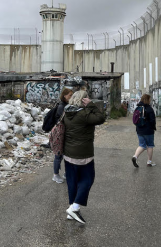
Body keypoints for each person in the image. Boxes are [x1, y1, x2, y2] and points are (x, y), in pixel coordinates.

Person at [63, 90, 105, 224]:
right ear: (83, 100)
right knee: (87, 179)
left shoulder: (66, 112)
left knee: (72, 182)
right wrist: (92, 105)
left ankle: (71, 210)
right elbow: (101, 118)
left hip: (68, 154)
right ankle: (74, 208)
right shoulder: (84, 114)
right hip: (83, 154)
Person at [52, 87, 73, 184]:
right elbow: (64, 120)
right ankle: (55, 175)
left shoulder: (68, 105)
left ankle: (66, 173)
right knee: (58, 155)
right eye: (70, 95)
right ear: (64, 96)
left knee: (67, 155)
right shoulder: (62, 107)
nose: (71, 97)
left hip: (65, 134)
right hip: (59, 134)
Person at [132, 93, 156, 168]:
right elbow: (152, 121)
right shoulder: (149, 109)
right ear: (148, 100)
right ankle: (149, 162)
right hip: (148, 131)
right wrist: (153, 128)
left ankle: (135, 157)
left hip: (139, 130)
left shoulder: (137, 108)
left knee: (141, 145)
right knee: (150, 145)